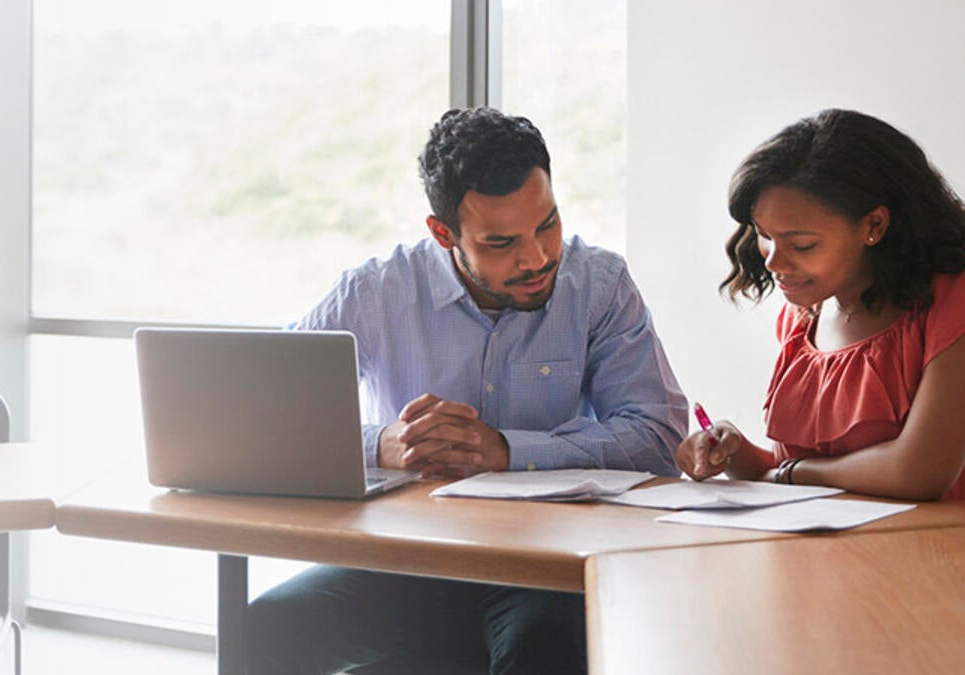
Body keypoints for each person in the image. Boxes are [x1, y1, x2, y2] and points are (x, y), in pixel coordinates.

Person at [247, 107, 687, 675]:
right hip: (406, 557)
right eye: (502, 243)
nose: (536, 258)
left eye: (547, 224)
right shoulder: (375, 291)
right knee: (269, 624)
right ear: (443, 233)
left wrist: (507, 451)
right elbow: (263, 411)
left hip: (546, 564)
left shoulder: (599, 285)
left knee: (542, 649)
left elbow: (659, 436)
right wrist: (382, 443)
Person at [677, 108, 965, 503]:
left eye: (802, 244)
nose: (773, 260)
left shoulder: (962, 292)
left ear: (874, 226)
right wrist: (733, 450)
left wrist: (790, 475)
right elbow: (789, 470)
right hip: (826, 551)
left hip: (948, 554)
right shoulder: (805, 313)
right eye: (764, 235)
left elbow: (919, 474)